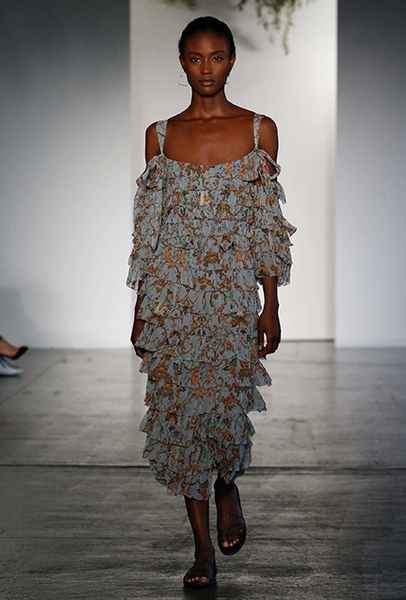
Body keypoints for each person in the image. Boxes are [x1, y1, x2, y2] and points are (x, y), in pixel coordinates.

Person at [127, 16, 296, 587]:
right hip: (170, 297)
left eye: (217, 57)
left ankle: (227, 485)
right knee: (180, 415)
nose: (207, 68)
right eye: (196, 58)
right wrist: (140, 310)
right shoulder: (158, 136)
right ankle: (202, 551)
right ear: (181, 62)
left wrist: (270, 305)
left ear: (231, 61)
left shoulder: (258, 131)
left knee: (222, 407)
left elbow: (267, 225)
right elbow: (149, 232)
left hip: (229, 297)